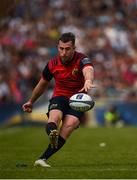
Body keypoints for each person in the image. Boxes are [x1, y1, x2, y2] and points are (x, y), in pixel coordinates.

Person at [22, 32, 96, 167]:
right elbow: (42, 84)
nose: (64, 52)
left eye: (67, 49)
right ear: (58, 47)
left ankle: (42, 159)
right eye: (61, 48)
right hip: (59, 96)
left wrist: (88, 80)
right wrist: (31, 101)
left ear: (74, 48)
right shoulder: (52, 64)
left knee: (69, 125)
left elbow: (88, 69)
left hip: (77, 99)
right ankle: (52, 133)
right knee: (54, 118)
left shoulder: (82, 59)